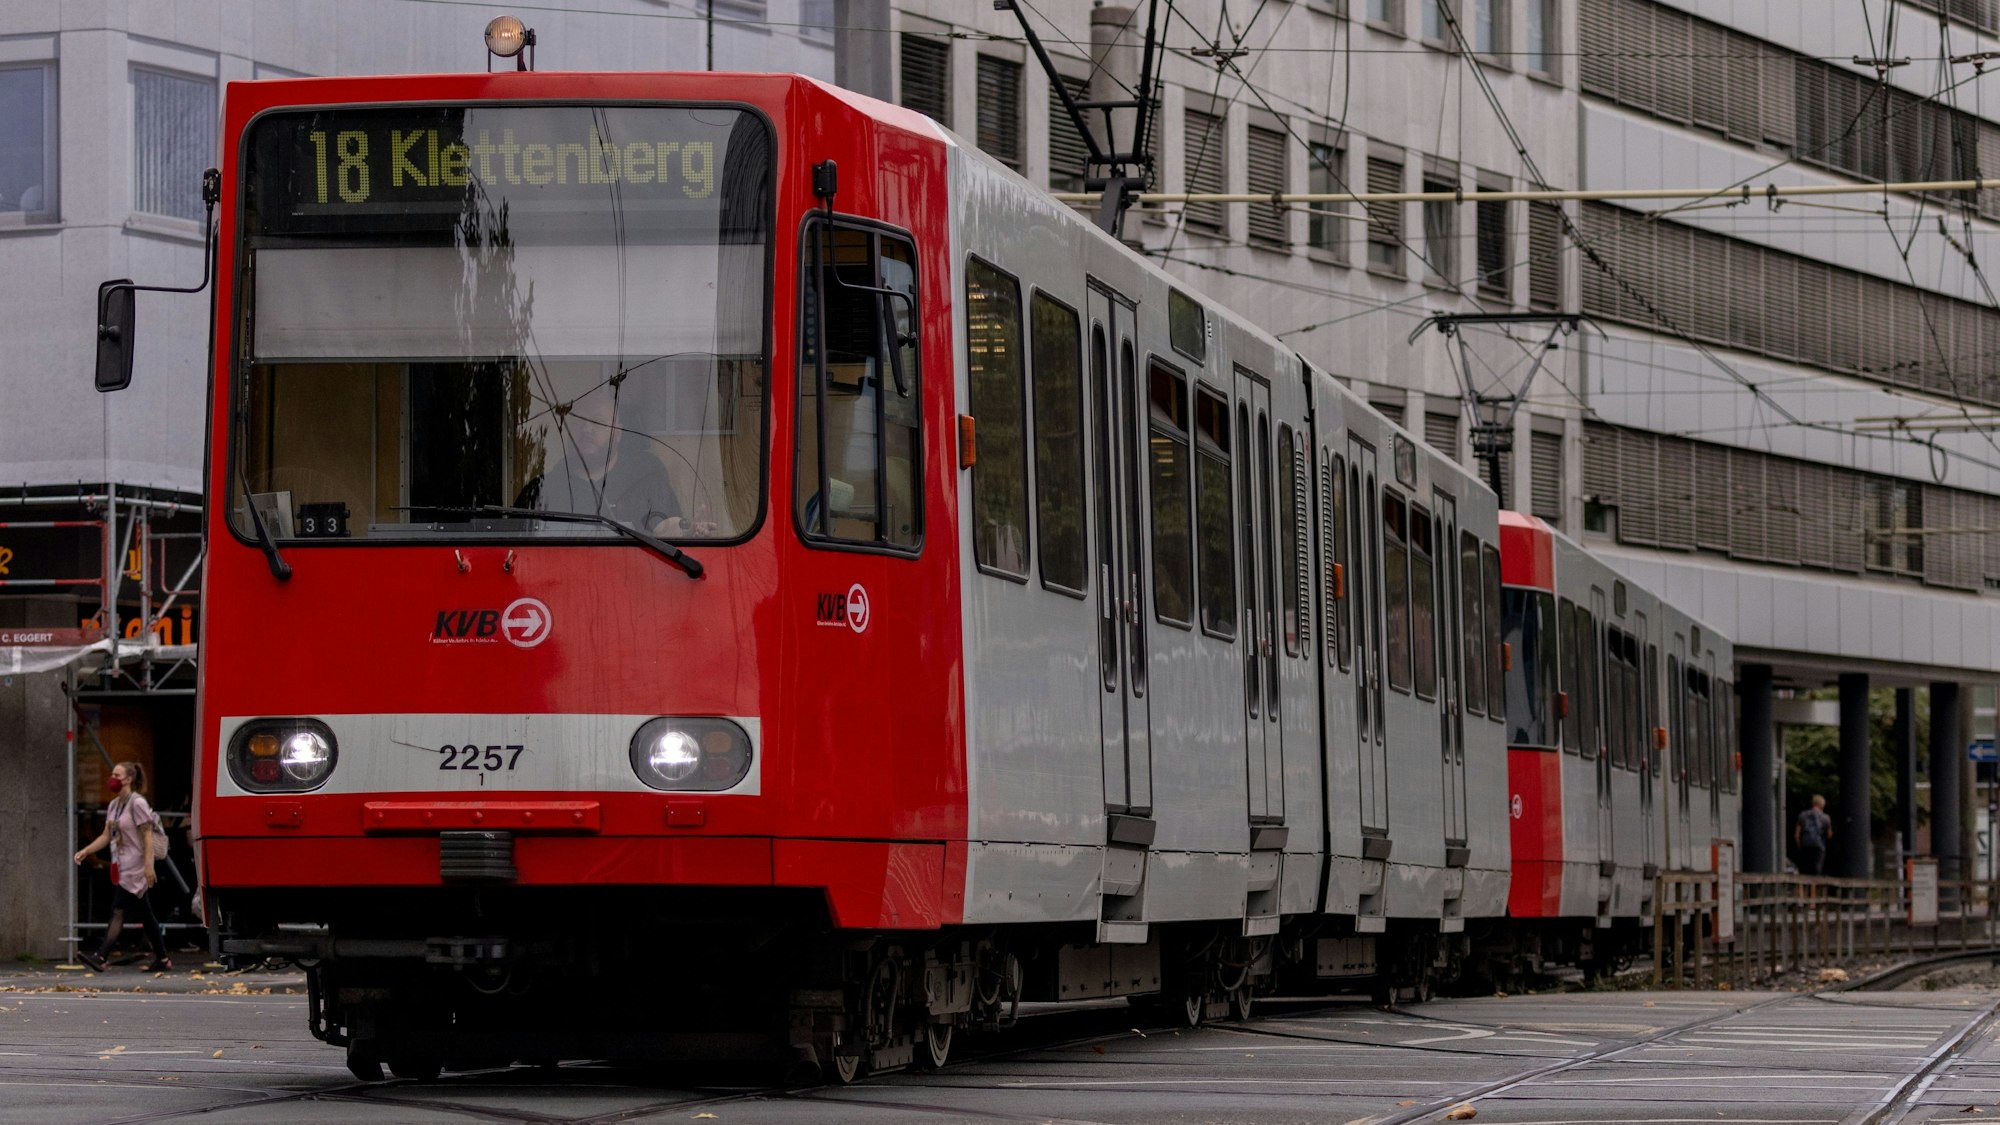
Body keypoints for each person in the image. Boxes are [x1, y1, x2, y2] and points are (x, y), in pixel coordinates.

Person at [512, 365, 714, 537]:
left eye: (597, 422)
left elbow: (666, 529)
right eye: (579, 422)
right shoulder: (539, 491)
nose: (587, 429)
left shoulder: (648, 482)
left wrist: (685, 530)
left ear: (617, 432)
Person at [72, 762, 172, 972]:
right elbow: (106, 836)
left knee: (118, 910)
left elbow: (147, 835)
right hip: (124, 865)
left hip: (137, 866)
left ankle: (101, 955)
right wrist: (87, 851)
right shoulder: (115, 805)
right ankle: (162, 958)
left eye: (116, 774)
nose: (112, 778)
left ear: (128, 779)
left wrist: (148, 866)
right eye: (112, 773)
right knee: (146, 914)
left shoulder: (138, 803)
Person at [1795, 794, 1832, 876]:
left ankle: (1802, 888)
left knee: (1804, 869)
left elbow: (1797, 835)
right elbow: (1829, 835)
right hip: (1818, 846)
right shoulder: (1825, 817)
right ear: (1822, 805)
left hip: (1805, 845)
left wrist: (1800, 846)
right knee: (1816, 869)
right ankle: (1813, 889)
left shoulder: (1802, 815)